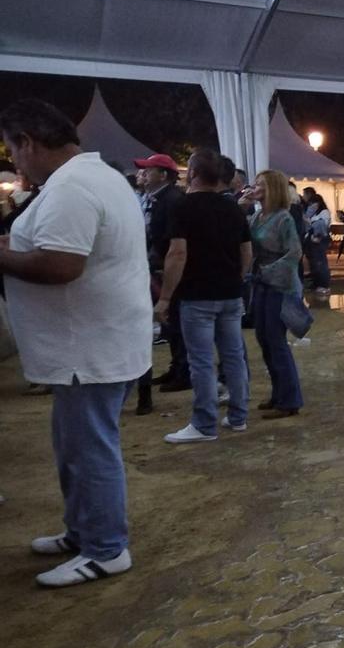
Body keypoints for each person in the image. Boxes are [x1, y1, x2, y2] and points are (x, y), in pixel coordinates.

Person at [0, 99, 150, 587]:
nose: (13, 162)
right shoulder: (95, 177)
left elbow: (62, 265)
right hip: (91, 342)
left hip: (88, 344)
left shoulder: (75, 186)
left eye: (12, 150)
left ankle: (107, 548)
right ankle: (83, 530)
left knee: (90, 450)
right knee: (74, 447)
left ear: (28, 141)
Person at [154, 149, 252, 444]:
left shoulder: (183, 207)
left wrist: (165, 297)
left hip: (197, 294)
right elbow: (246, 252)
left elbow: (177, 252)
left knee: (202, 361)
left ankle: (205, 424)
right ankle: (238, 417)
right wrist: (235, 278)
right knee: (233, 357)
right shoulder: (233, 207)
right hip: (230, 294)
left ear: (193, 173)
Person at [249, 170, 305, 417]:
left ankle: (290, 399)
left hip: (279, 286)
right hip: (261, 283)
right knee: (264, 339)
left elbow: (294, 253)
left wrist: (269, 270)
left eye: (260, 184)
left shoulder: (284, 218)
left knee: (276, 340)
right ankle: (278, 393)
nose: (255, 187)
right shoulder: (257, 216)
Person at [137, 152, 189, 392]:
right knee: (169, 323)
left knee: (175, 320)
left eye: (149, 170)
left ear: (164, 175)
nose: (144, 175)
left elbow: (174, 244)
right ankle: (177, 367)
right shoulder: (160, 199)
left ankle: (183, 371)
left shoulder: (172, 200)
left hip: (170, 269)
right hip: (161, 266)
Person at [302, 192, 332, 296]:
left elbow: (322, 225)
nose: (311, 206)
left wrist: (317, 235)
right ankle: (316, 283)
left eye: (313, 203)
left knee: (320, 263)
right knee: (314, 263)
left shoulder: (324, 212)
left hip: (319, 239)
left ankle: (323, 284)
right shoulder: (312, 212)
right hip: (311, 240)